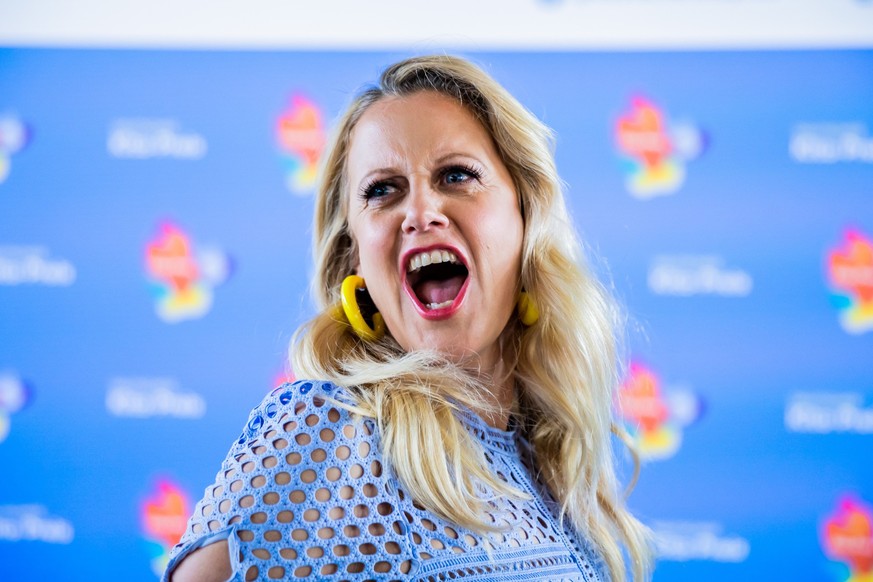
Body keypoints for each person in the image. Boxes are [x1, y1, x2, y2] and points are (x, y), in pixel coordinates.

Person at [164, 54, 651, 582]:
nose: (420, 212)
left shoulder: (546, 455)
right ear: (356, 255)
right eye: (382, 190)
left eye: (457, 175)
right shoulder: (330, 431)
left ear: (524, 214)